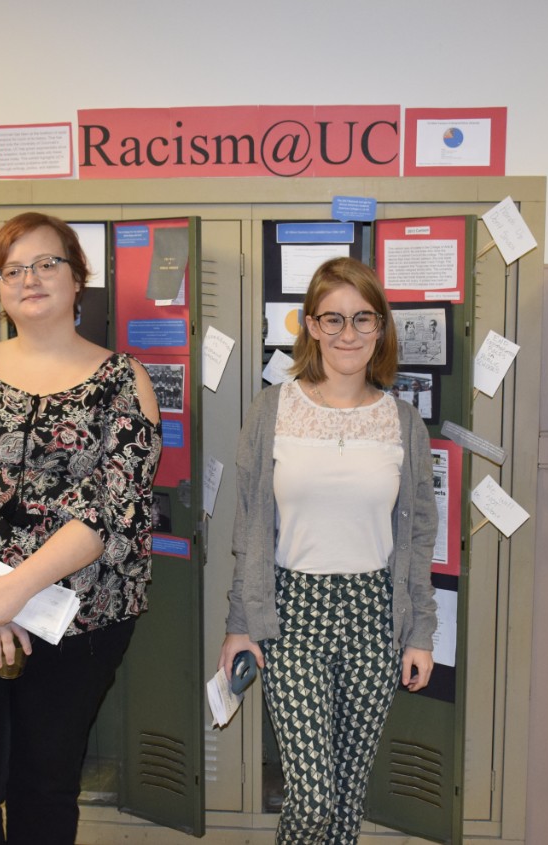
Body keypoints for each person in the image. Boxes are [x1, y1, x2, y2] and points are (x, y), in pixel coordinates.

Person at [0, 212, 161, 845]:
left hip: (78, 618)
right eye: (13, 269)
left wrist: (18, 591)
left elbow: (114, 508)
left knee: (44, 791)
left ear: (77, 279)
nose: (31, 279)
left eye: (47, 263)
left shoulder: (124, 381)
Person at [219, 257, 438, 843]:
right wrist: (241, 623)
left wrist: (420, 633)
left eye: (363, 319)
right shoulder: (273, 409)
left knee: (345, 799)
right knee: (312, 795)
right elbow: (250, 526)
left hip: (373, 614)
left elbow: (418, 539)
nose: (348, 334)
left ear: (381, 328)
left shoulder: (403, 422)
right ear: (311, 326)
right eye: (333, 319)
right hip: (292, 611)